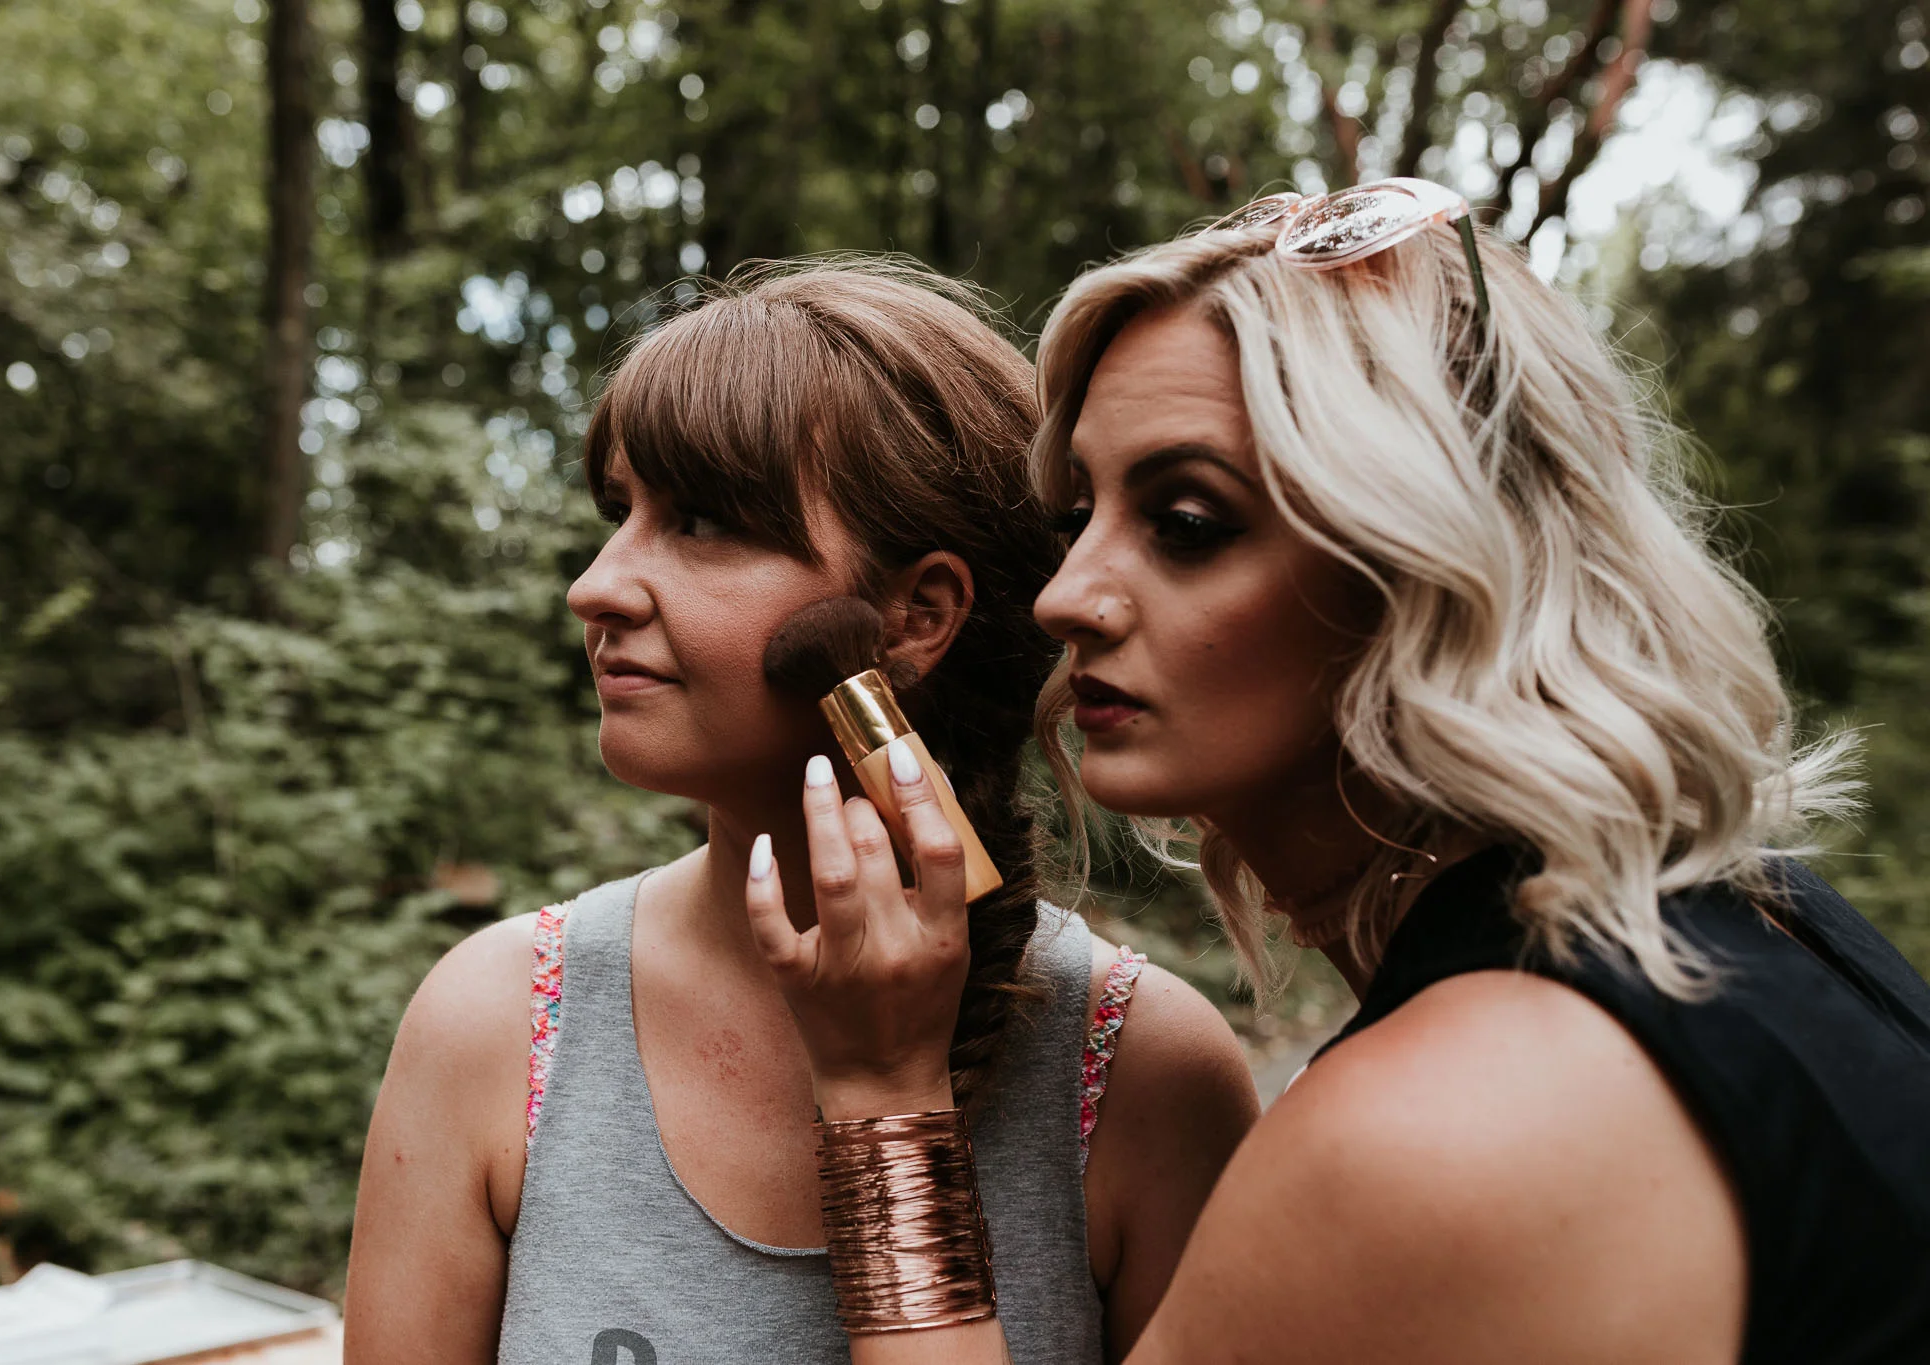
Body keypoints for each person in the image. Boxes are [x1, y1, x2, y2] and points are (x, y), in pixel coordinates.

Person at [744, 184, 1930, 1364]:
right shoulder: (1745, 929)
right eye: (1078, 518)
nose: (1065, 598)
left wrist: (883, 1102)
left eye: (1189, 524)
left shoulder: (1443, 1127)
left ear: (1424, 566)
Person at [341, 261, 1258, 1365]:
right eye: (618, 512)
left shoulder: (1144, 1079)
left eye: (703, 524)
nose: (596, 583)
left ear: (917, 615)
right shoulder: (494, 1027)